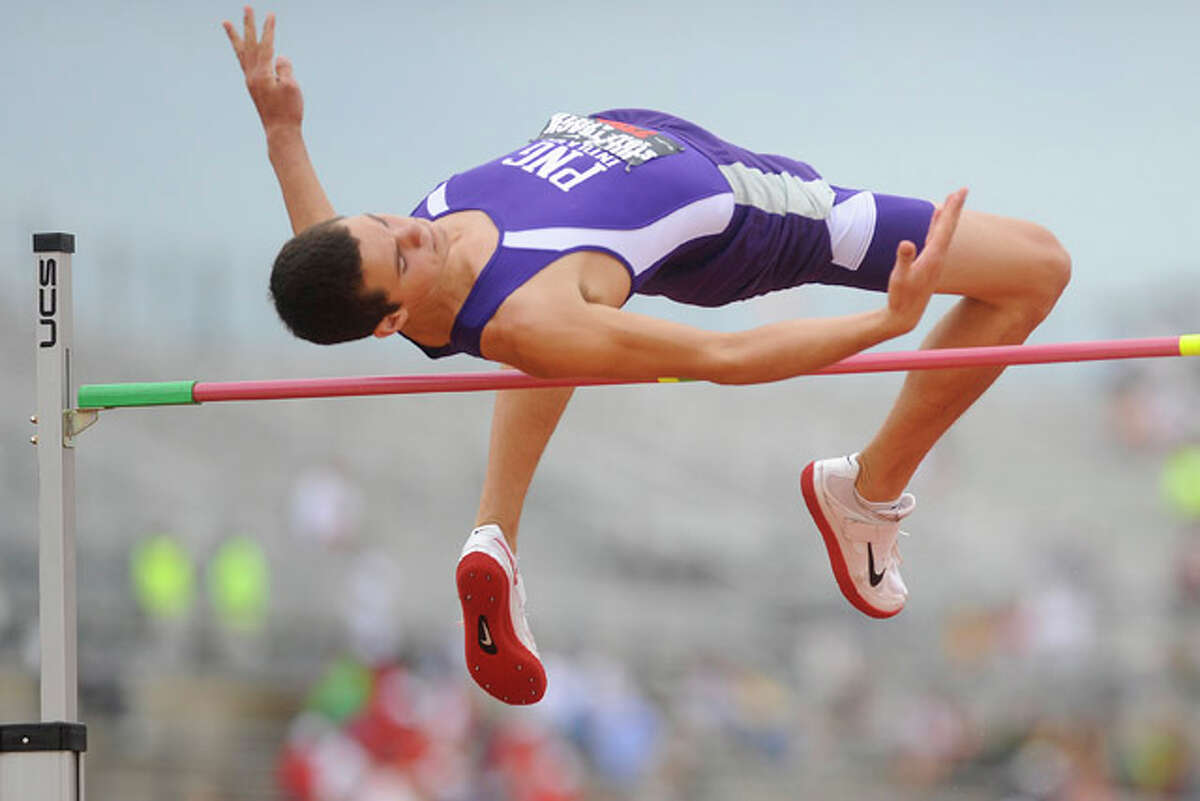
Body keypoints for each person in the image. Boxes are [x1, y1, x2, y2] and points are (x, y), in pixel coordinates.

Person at [223, 8, 1070, 705]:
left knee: (539, 338)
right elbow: (728, 357)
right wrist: (885, 323)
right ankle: (866, 492)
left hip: (641, 141)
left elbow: (328, 256)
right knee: (1037, 268)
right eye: (403, 255)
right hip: (762, 216)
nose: (416, 230)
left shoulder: (399, 271)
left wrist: (283, 134)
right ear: (396, 318)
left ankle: (495, 534)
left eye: (387, 220)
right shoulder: (534, 315)